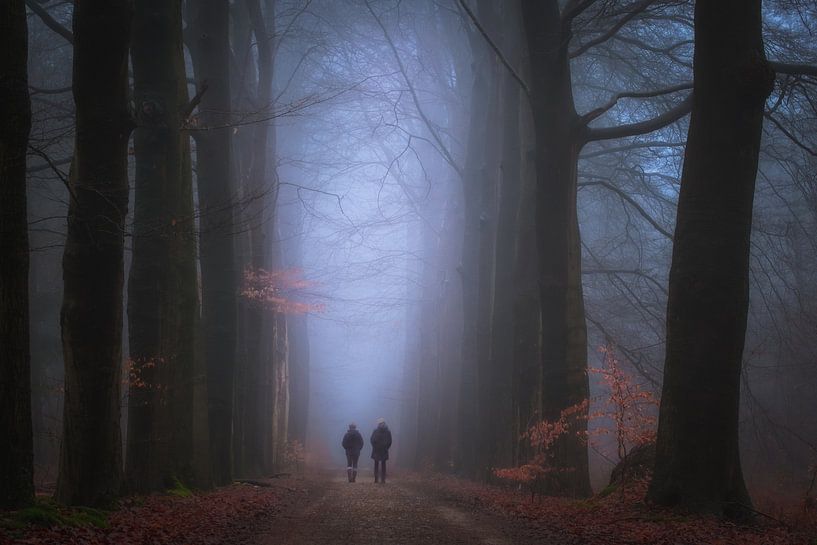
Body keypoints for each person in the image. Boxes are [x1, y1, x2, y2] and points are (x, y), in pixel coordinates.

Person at [370, 418, 392, 484]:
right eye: (381, 423)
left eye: (382, 423)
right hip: (381, 450)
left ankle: (380, 479)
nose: (381, 424)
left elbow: (372, 440)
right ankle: (379, 479)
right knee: (381, 464)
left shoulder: (376, 431)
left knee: (380, 464)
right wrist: (386, 447)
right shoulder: (387, 431)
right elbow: (389, 441)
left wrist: (375, 447)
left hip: (379, 450)